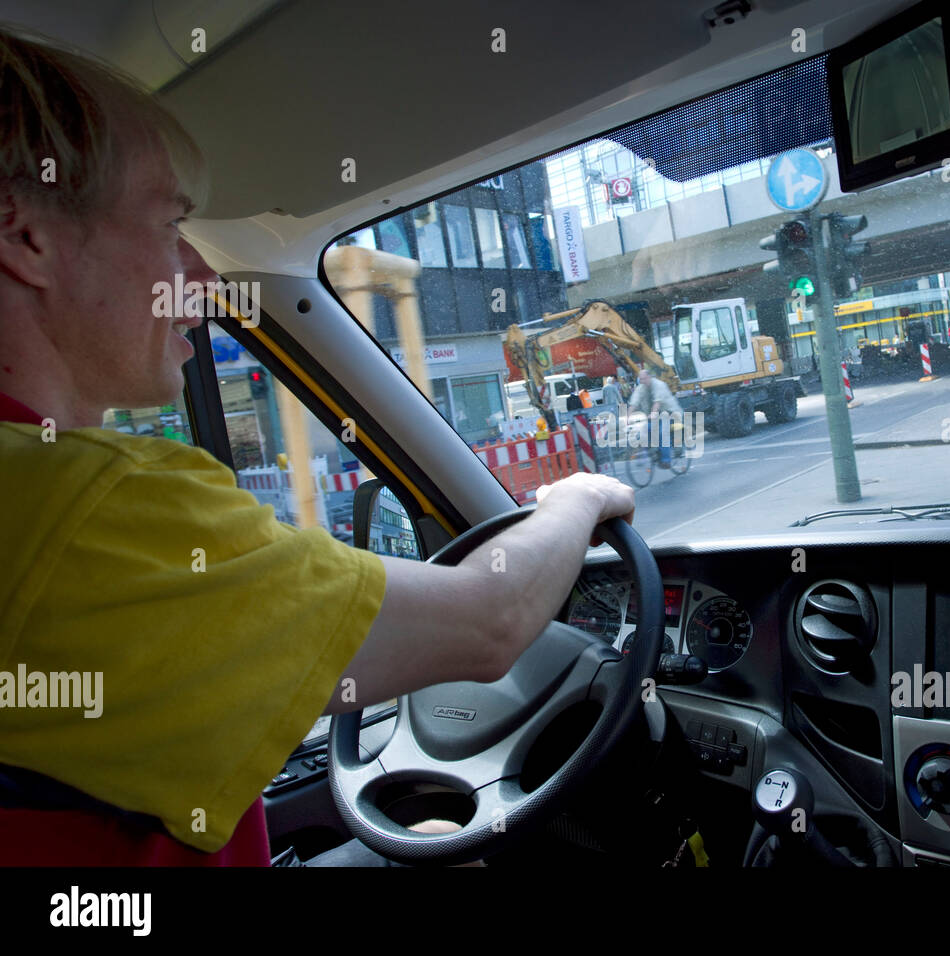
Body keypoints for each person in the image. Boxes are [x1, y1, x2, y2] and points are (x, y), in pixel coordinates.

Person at [0, 26, 636, 866]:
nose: (204, 276)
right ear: (26, 237)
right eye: (169, 227)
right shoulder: (88, 504)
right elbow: (493, 620)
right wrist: (579, 499)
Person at [628, 368, 683, 469]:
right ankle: (653, 451)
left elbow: (657, 402)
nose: (642, 381)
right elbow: (634, 402)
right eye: (640, 379)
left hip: (670, 412)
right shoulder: (641, 388)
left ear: (649, 377)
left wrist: (653, 414)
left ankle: (666, 460)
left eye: (644, 379)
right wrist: (628, 416)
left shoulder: (659, 385)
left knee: (662, 433)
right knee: (644, 430)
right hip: (655, 416)